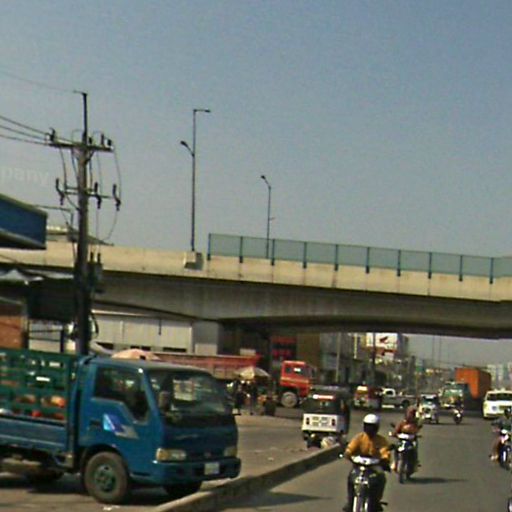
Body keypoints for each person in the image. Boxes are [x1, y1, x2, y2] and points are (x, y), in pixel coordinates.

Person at [342, 413, 391, 512]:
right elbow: (350, 448)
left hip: (374, 465)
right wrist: (348, 453)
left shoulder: (381, 440)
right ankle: (350, 501)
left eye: (372, 427)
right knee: (351, 478)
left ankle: (376, 501)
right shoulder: (359, 438)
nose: (370, 429)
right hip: (359, 464)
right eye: (368, 426)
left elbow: (384, 451)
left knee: (382, 478)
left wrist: (384, 459)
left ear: (376, 428)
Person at [391, 406, 421, 471]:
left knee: (415, 449)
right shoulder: (402, 423)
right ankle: (395, 462)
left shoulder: (415, 423)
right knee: (396, 448)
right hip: (402, 440)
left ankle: (415, 462)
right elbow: (396, 430)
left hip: (411, 441)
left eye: (412, 414)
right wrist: (394, 434)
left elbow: (417, 430)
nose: (410, 415)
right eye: (409, 413)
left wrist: (416, 434)